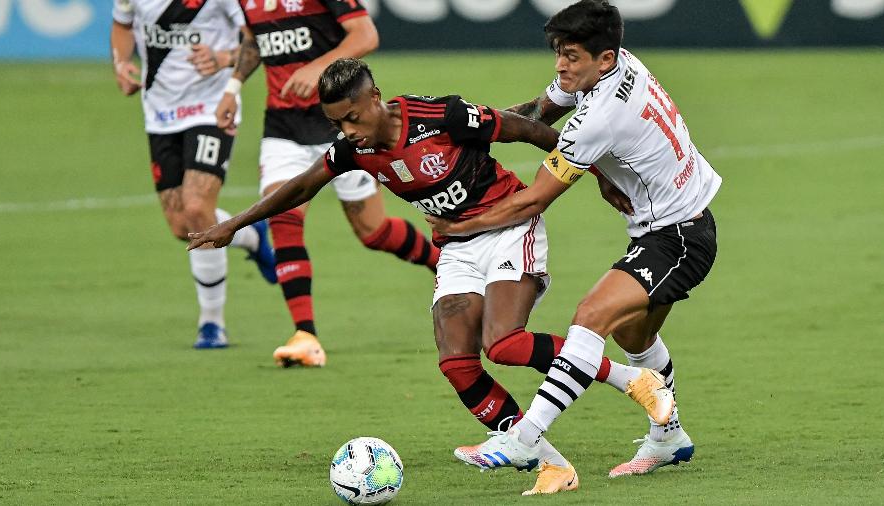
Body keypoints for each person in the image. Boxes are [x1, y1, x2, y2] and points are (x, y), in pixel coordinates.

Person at [188, 58, 674, 495]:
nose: (348, 131)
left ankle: (632, 378)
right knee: (457, 362)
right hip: (455, 248)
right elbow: (300, 186)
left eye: (353, 117)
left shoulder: (439, 116)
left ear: (374, 98)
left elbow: (526, 130)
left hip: (508, 224)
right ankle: (550, 463)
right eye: (336, 123)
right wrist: (234, 224)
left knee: (503, 344)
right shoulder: (352, 151)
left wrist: (600, 175)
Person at [429, 0, 721, 481]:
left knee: (590, 318)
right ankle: (669, 436)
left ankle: (524, 440)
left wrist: (457, 228)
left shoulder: (600, 115)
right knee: (635, 336)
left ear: (603, 59)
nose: (560, 65)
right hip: (669, 227)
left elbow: (531, 201)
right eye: (558, 52)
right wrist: (475, 128)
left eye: (571, 56)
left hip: (679, 235)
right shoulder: (619, 65)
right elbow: (538, 111)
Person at [216, 1, 439, 367]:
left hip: (343, 126)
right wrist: (232, 86)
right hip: (283, 128)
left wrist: (317, 68)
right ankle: (305, 336)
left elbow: (366, 34)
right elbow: (254, 41)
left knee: (374, 232)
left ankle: (440, 262)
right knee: (283, 217)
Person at [111, 0, 277, 349]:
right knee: (180, 225)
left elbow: (256, 37)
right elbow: (122, 25)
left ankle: (211, 324)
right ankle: (251, 236)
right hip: (159, 113)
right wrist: (121, 62)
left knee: (198, 207)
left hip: (211, 107)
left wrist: (224, 63)